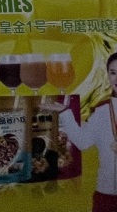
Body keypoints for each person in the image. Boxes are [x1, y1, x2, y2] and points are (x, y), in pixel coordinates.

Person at [47, 52, 117, 211]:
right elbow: (83, 142)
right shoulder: (101, 110)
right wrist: (65, 112)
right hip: (106, 196)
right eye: (113, 73)